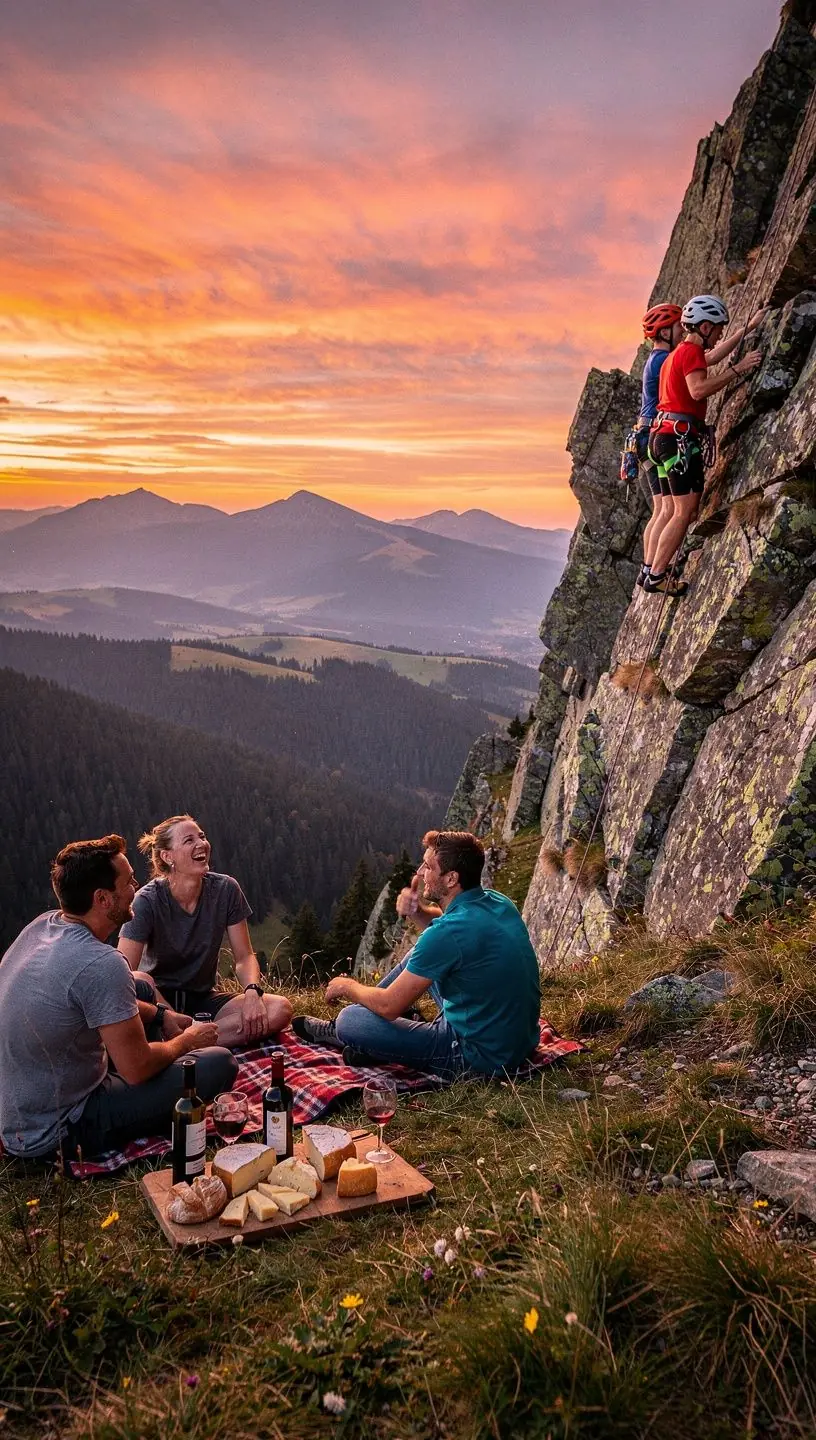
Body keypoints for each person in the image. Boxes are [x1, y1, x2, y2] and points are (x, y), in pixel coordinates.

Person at [0, 835, 238, 1162]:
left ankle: (148, 1049)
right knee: (219, 1063)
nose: (135, 889)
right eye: (128, 883)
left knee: (138, 987)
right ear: (102, 899)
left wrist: (158, 1016)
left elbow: (86, 999)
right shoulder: (101, 963)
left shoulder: (43, 925)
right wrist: (187, 1041)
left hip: (21, 1110)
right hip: (61, 1127)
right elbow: (136, 1069)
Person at [292, 830, 541, 1076]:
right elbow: (451, 936)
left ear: (451, 878)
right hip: (518, 1042)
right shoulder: (498, 902)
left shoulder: (447, 933)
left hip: (475, 1055)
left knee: (350, 1020)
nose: (420, 873)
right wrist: (417, 912)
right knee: (417, 953)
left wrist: (348, 986)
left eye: (428, 866)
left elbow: (389, 1005)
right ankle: (376, 1037)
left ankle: (351, 1033)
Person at [118, 814, 293, 1048]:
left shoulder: (226, 889)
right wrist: (163, 1014)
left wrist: (252, 992)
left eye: (202, 836)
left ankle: (189, 1041)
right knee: (142, 979)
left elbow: (244, 957)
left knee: (279, 1008)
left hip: (203, 999)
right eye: (189, 840)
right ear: (167, 856)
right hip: (158, 1003)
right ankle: (191, 1037)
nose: (201, 844)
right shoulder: (146, 901)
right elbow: (123, 974)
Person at [643, 295, 765, 597]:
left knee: (671, 509)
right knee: (684, 512)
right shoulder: (689, 353)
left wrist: (745, 329)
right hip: (677, 440)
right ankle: (657, 576)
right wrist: (739, 370)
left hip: (663, 438)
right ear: (706, 326)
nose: (721, 333)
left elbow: (711, 358)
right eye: (720, 328)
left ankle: (649, 569)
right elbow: (698, 391)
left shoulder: (680, 353)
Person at [635, 303, 684, 590]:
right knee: (667, 509)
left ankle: (648, 568)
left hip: (643, 438)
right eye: (678, 327)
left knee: (660, 510)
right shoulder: (664, 360)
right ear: (665, 331)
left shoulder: (653, 359)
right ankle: (656, 573)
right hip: (656, 434)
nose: (682, 332)